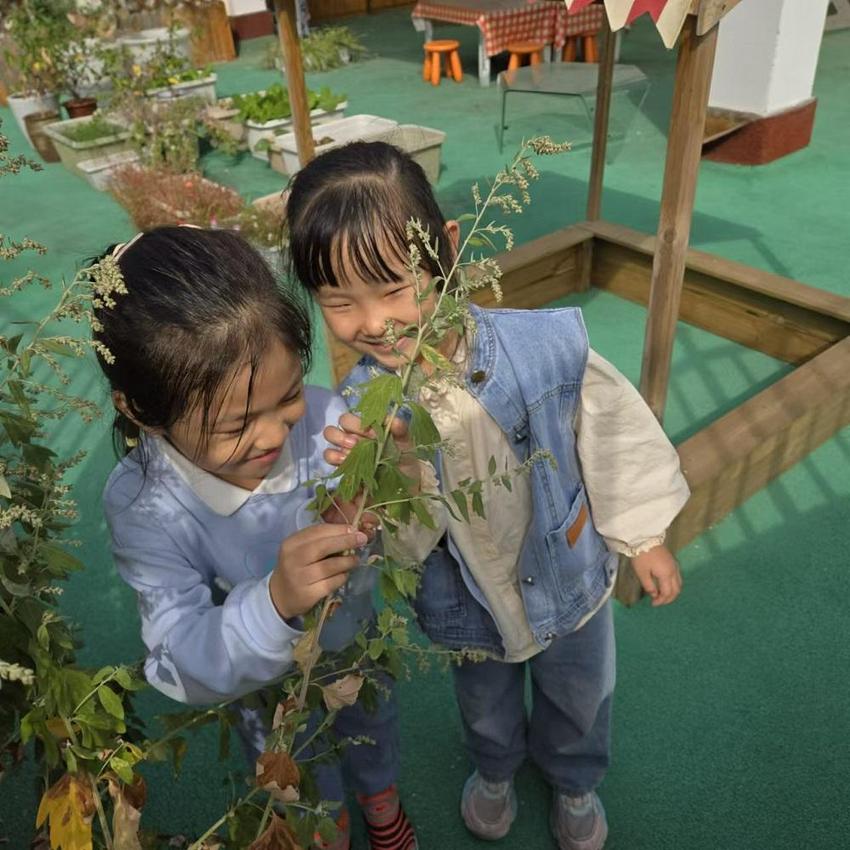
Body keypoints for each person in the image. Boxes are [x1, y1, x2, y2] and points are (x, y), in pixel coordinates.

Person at [285, 142, 690, 850]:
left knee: (580, 696)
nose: (372, 323)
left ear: (446, 249)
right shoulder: (360, 413)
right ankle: (496, 769)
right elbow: (401, 547)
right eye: (339, 302)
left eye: (393, 288)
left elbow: (611, 429)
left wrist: (644, 534)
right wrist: (393, 472)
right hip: (464, 603)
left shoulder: (541, 346)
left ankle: (573, 779)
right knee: (485, 704)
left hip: (568, 577)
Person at [94, 226, 417, 850]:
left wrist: (389, 479)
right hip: (265, 693)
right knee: (297, 770)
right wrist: (273, 603)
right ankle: (326, 823)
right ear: (140, 410)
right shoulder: (145, 507)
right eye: (237, 424)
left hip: (355, 645)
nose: (273, 434)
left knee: (374, 721)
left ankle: (380, 797)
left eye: (289, 394)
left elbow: (398, 530)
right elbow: (177, 657)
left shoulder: (327, 421)